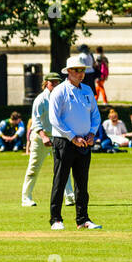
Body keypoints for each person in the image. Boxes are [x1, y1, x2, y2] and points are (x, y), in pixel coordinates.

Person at [47, 53, 102, 230]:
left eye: (83, 70)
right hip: (64, 142)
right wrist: (72, 136)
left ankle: (82, 219)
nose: (81, 74)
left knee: (82, 183)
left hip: (84, 142)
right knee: (60, 181)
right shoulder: (59, 91)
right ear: (69, 72)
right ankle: (56, 219)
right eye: (77, 71)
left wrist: (92, 133)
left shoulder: (87, 90)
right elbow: (55, 119)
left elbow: (95, 115)